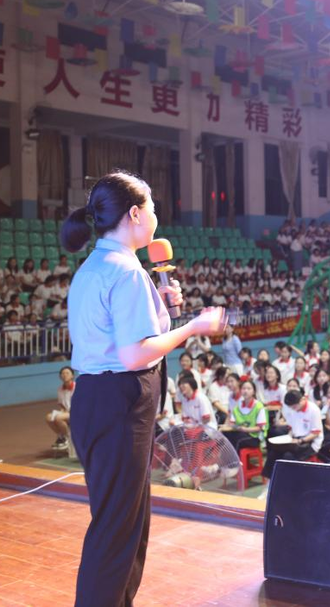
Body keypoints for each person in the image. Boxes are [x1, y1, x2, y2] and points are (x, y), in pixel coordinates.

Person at [62, 170, 225, 607]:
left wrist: (165, 310)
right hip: (119, 403)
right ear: (134, 214)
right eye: (151, 206)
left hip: (101, 401)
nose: (156, 214)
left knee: (127, 523)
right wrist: (195, 326)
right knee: (117, 530)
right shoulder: (125, 272)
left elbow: (128, 340)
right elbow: (135, 355)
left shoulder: (98, 267)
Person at [221, 379, 268, 453]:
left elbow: (259, 428)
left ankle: (234, 463)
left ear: (254, 391)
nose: (246, 391)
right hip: (240, 432)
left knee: (236, 439)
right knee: (225, 436)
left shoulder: (259, 406)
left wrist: (244, 429)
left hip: (254, 437)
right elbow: (232, 423)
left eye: (249, 389)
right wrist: (229, 427)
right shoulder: (238, 405)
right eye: (243, 388)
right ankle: (225, 462)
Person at [46, 366, 75, 452]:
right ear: (60, 376)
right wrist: (63, 410)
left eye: (67, 373)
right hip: (66, 413)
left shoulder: (77, 387)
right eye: (62, 373)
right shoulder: (60, 389)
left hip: (77, 412)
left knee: (58, 418)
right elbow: (61, 404)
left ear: (72, 376)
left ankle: (67, 438)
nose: (64, 375)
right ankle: (61, 436)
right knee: (48, 417)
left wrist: (67, 412)